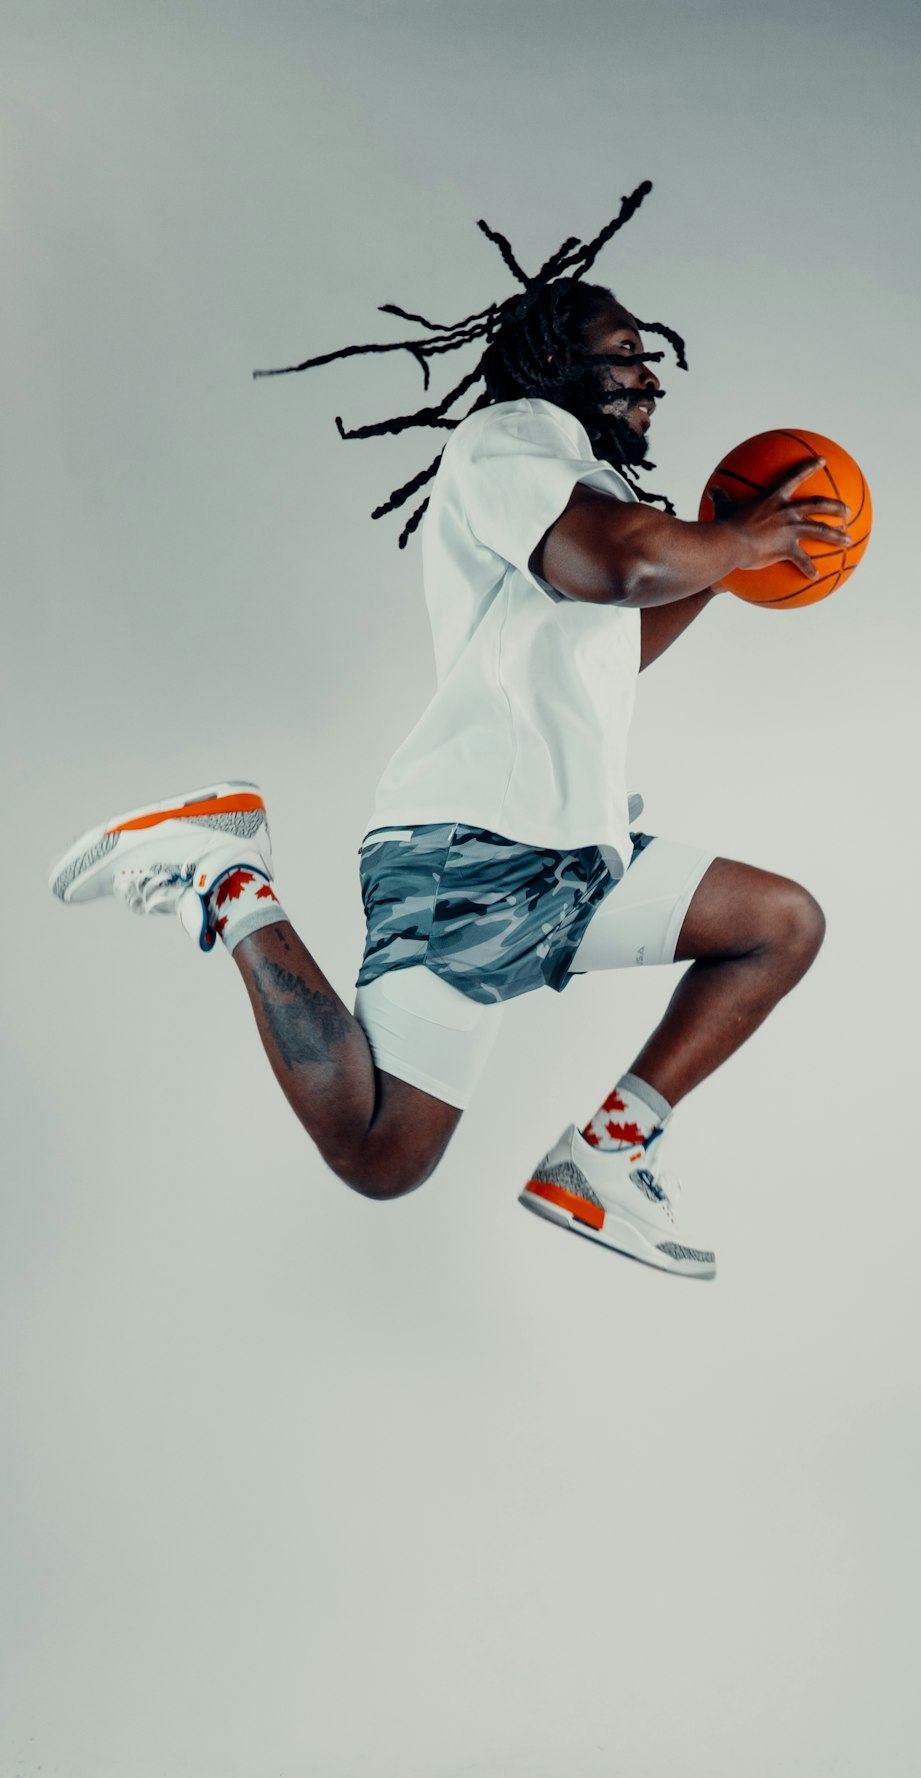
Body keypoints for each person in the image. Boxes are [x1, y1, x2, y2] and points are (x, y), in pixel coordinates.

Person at [48, 183, 851, 1279]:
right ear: (551, 360)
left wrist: (718, 559)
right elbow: (612, 564)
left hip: (565, 860)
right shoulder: (509, 440)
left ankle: (602, 1160)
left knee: (778, 923)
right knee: (379, 1151)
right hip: (466, 851)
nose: (649, 372)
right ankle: (226, 874)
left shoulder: (581, 485)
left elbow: (618, 615)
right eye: (623, 350)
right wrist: (729, 542)